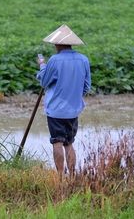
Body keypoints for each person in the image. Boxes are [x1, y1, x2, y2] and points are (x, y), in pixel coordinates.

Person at [36, 24, 91, 176]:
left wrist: (42, 66)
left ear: (58, 44)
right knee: (69, 143)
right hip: (74, 110)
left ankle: (60, 177)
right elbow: (86, 86)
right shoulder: (83, 60)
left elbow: (44, 82)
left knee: (57, 142)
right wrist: (73, 95)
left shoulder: (54, 60)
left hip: (56, 110)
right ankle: (72, 175)